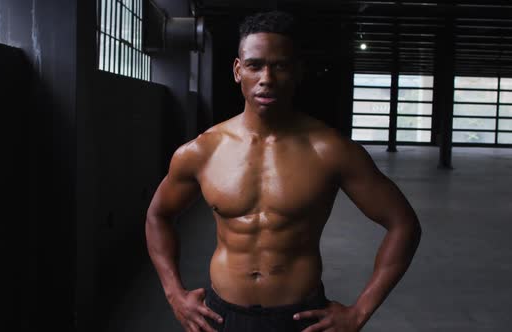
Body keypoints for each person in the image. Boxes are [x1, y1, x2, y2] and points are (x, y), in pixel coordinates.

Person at [145, 10, 422, 332]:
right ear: (238, 70)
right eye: (255, 65)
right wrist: (174, 293)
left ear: (298, 71)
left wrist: (359, 312)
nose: (267, 78)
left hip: (300, 319)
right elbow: (157, 216)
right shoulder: (203, 151)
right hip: (221, 318)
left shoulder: (331, 151)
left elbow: (403, 224)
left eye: (281, 66)